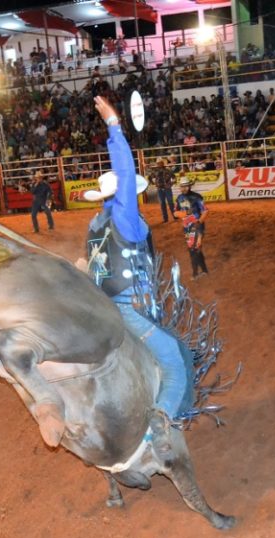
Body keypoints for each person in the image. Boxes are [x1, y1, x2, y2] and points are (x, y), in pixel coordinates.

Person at [83, 95, 188, 432]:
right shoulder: (124, 217)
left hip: (106, 308)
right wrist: (114, 126)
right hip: (134, 307)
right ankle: (164, 420)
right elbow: (126, 173)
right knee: (177, 358)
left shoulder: (95, 225)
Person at [175, 176, 210, 279]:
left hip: (197, 226)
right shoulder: (179, 198)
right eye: (182, 186)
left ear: (189, 186)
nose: (184, 188)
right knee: (196, 249)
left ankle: (195, 273)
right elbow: (175, 212)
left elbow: (205, 211)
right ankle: (204, 270)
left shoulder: (197, 197)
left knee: (193, 249)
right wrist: (183, 214)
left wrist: (199, 222)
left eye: (185, 186)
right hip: (187, 227)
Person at [151, 158, 177, 223]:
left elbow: (174, 177)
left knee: (170, 202)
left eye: (160, 163)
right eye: (158, 163)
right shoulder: (155, 171)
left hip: (167, 188)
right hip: (160, 189)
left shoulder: (168, 170)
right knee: (162, 204)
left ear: (162, 163)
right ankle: (166, 218)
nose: (159, 164)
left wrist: (171, 183)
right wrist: (154, 183)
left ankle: (175, 216)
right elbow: (150, 177)